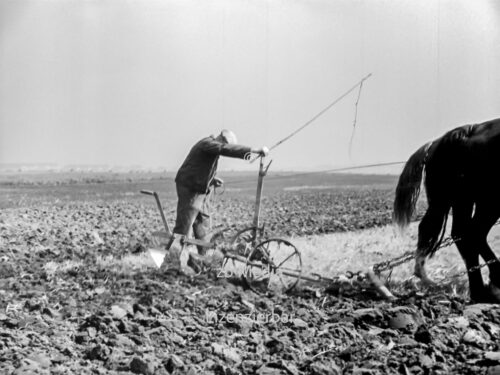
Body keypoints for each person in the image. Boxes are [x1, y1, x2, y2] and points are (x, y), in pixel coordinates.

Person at [167, 129, 268, 271]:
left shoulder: (211, 148)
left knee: (202, 224)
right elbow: (224, 149)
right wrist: (254, 150)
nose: (225, 147)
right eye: (226, 144)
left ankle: (202, 262)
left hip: (199, 188)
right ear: (221, 138)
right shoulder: (208, 144)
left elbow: (198, 167)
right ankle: (171, 265)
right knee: (184, 227)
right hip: (190, 188)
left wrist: (212, 179)